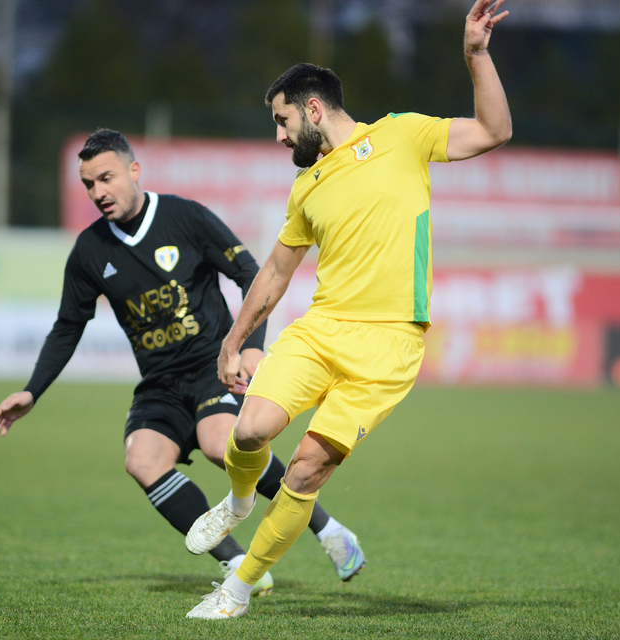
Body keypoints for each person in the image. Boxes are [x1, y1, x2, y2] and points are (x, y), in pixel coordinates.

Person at [184, 0, 513, 619]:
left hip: (390, 344)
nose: (279, 136)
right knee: (249, 429)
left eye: (282, 121)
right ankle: (237, 498)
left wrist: (475, 55)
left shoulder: (403, 134)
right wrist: (233, 340)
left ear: (313, 108)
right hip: (322, 329)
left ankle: (238, 588)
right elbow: (278, 271)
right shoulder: (306, 186)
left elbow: (494, 131)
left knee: (307, 470)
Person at [0, 128, 365, 596]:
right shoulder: (89, 251)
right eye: (88, 184)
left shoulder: (184, 218)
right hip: (160, 383)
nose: (98, 192)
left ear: (134, 171)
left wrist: (248, 344)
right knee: (141, 459)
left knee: (218, 444)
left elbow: (252, 275)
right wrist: (32, 390)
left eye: (106, 178)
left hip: (212, 365)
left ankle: (329, 531)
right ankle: (239, 562)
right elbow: (68, 325)